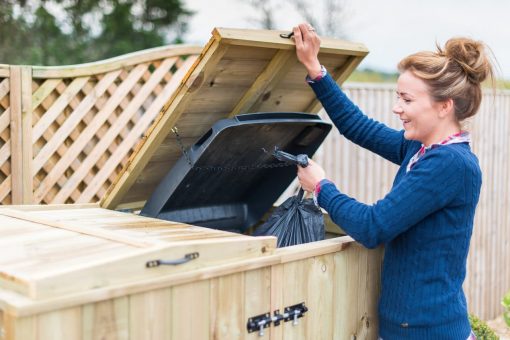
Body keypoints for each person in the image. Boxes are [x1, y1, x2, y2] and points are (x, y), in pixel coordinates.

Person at [292, 22, 495, 339]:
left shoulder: (450, 164)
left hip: (426, 332)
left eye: (407, 100)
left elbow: (373, 227)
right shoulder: (424, 149)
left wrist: (321, 188)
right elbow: (359, 127)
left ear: (444, 106)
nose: (396, 108)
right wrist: (315, 69)